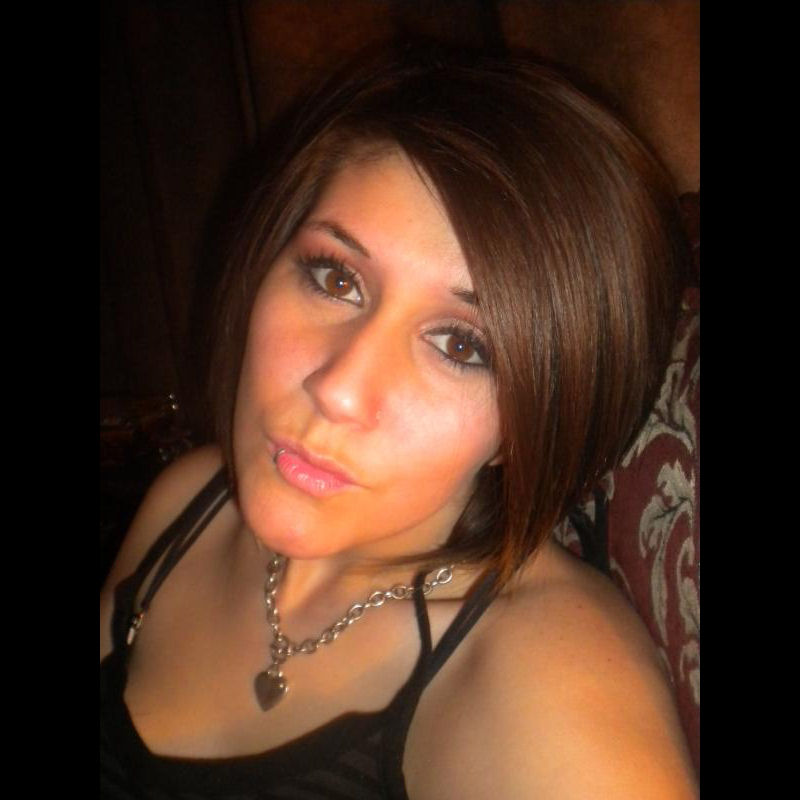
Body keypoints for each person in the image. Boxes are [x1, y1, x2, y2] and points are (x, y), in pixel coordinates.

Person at [100, 50, 699, 798]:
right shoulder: (191, 501)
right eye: (336, 278)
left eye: (462, 346)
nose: (340, 390)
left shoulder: (543, 686)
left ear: (537, 418)